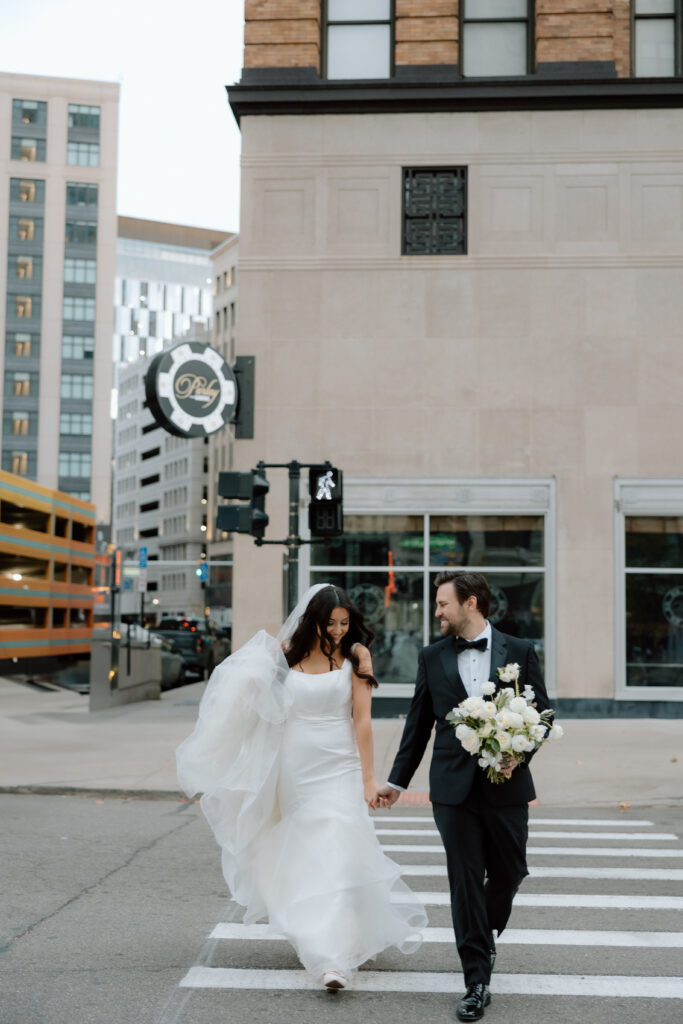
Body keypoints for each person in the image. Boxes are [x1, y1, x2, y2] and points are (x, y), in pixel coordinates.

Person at [176, 583, 426, 990]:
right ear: (314, 621)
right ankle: (323, 941)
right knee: (310, 854)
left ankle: (334, 960)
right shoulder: (282, 655)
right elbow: (246, 700)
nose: (340, 631)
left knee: (341, 848)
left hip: (341, 762)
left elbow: (361, 720)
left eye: (346, 623)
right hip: (295, 764)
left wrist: (368, 779)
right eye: (332, 624)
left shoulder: (356, 655)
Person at [375, 571, 551, 1022]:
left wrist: (519, 754)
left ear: (470, 603)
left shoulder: (521, 651)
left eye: (442, 604)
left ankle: (482, 937)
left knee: (510, 871)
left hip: (506, 785)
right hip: (452, 790)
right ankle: (476, 980)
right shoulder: (432, 657)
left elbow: (543, 716)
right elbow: (417, 726)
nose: (437, 612)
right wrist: (396, 782)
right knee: (465, 881)